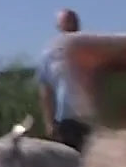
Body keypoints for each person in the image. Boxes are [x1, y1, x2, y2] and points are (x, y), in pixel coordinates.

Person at [35, 8, 91, 152]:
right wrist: (49, 122)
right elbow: (46, 90)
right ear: (59, 27)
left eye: (73, 22)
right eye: (66, 23)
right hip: (67, 119)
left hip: (92, 117)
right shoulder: (50, 55)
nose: (71, 26)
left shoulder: (92, 48)